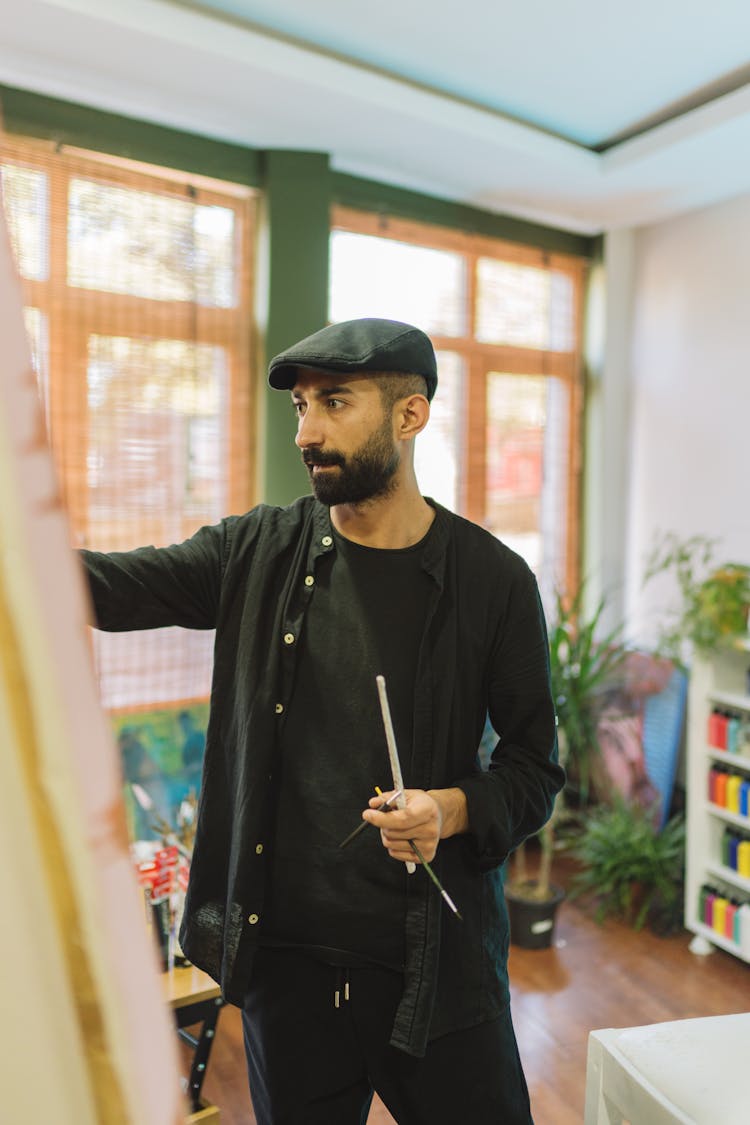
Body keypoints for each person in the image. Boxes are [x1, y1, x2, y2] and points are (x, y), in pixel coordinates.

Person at [81, 317, 564, 1125]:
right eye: (302, 406)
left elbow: (534, 767)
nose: (307, 431)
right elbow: (112, 586)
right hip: (291, 975)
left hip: (437, 977)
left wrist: (450, 809)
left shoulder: (495, 582)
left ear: (410, 416)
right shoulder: (256, 552)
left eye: (334, 402)